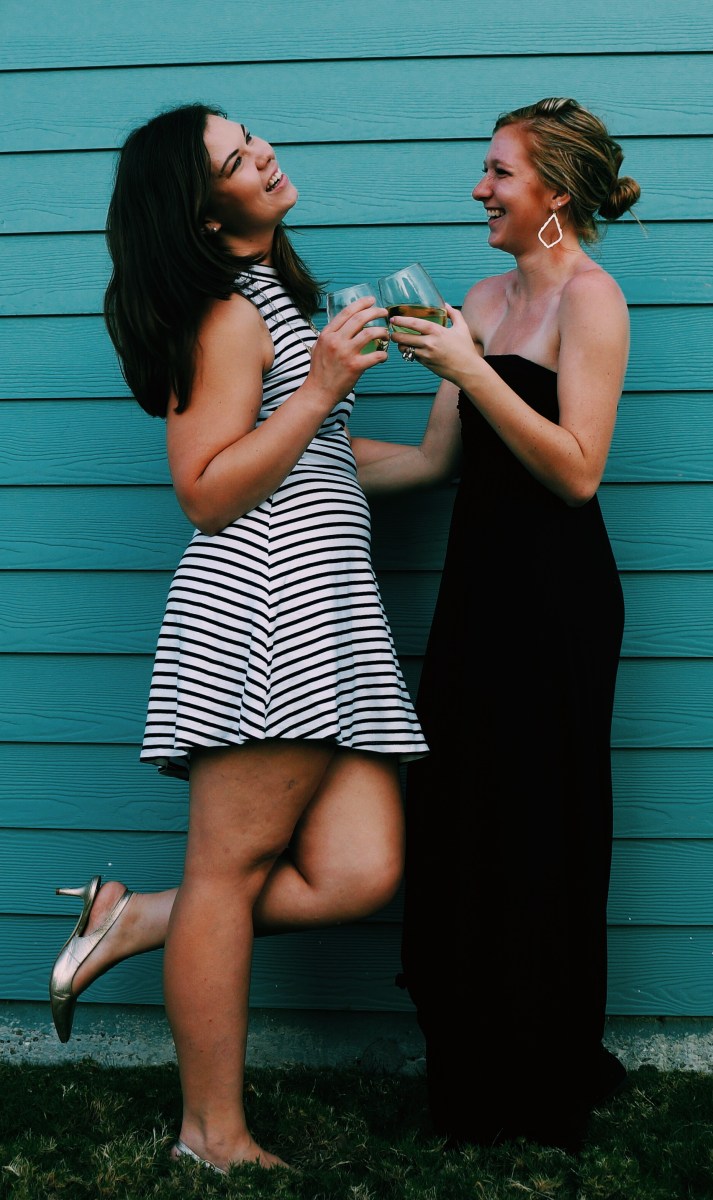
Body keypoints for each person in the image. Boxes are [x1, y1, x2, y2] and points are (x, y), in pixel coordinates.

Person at [48, 103, 427, 1174]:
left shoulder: (277, 299)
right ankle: (211, 1137)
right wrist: (323, 386)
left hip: (334, 616)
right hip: (269, 614)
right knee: (226, 877)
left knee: (358, 870)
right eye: (234, 158)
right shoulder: (222, 314)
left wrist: (454, 408)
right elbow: (206, 489)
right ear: (205, 217)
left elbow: (322, 457)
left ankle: (135, 921)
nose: (263, 152)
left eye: (251, 137)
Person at [353, 97, 640, 1150]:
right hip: (477, 594)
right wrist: (296, 440)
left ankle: (542, 1069)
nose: (480, 189)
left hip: (558, 600)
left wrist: (470, 368)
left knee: (539, 823)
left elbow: (578, 471)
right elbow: (437, 462)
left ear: (554, 191)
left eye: (499, 172)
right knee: (465, 815)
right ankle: (469, 1065)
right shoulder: (478, 296)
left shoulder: (592, 301)